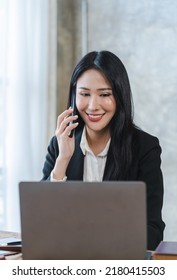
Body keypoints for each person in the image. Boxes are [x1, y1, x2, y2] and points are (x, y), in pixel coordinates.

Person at [42, 50, 165, 250]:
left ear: (120, 96)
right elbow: (42, 223)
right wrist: (63, 159)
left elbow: (153, 230)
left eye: (105, 94)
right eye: (84, 94)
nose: (93, 106)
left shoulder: (145, 148)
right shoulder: (59, 144)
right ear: (74, 96)